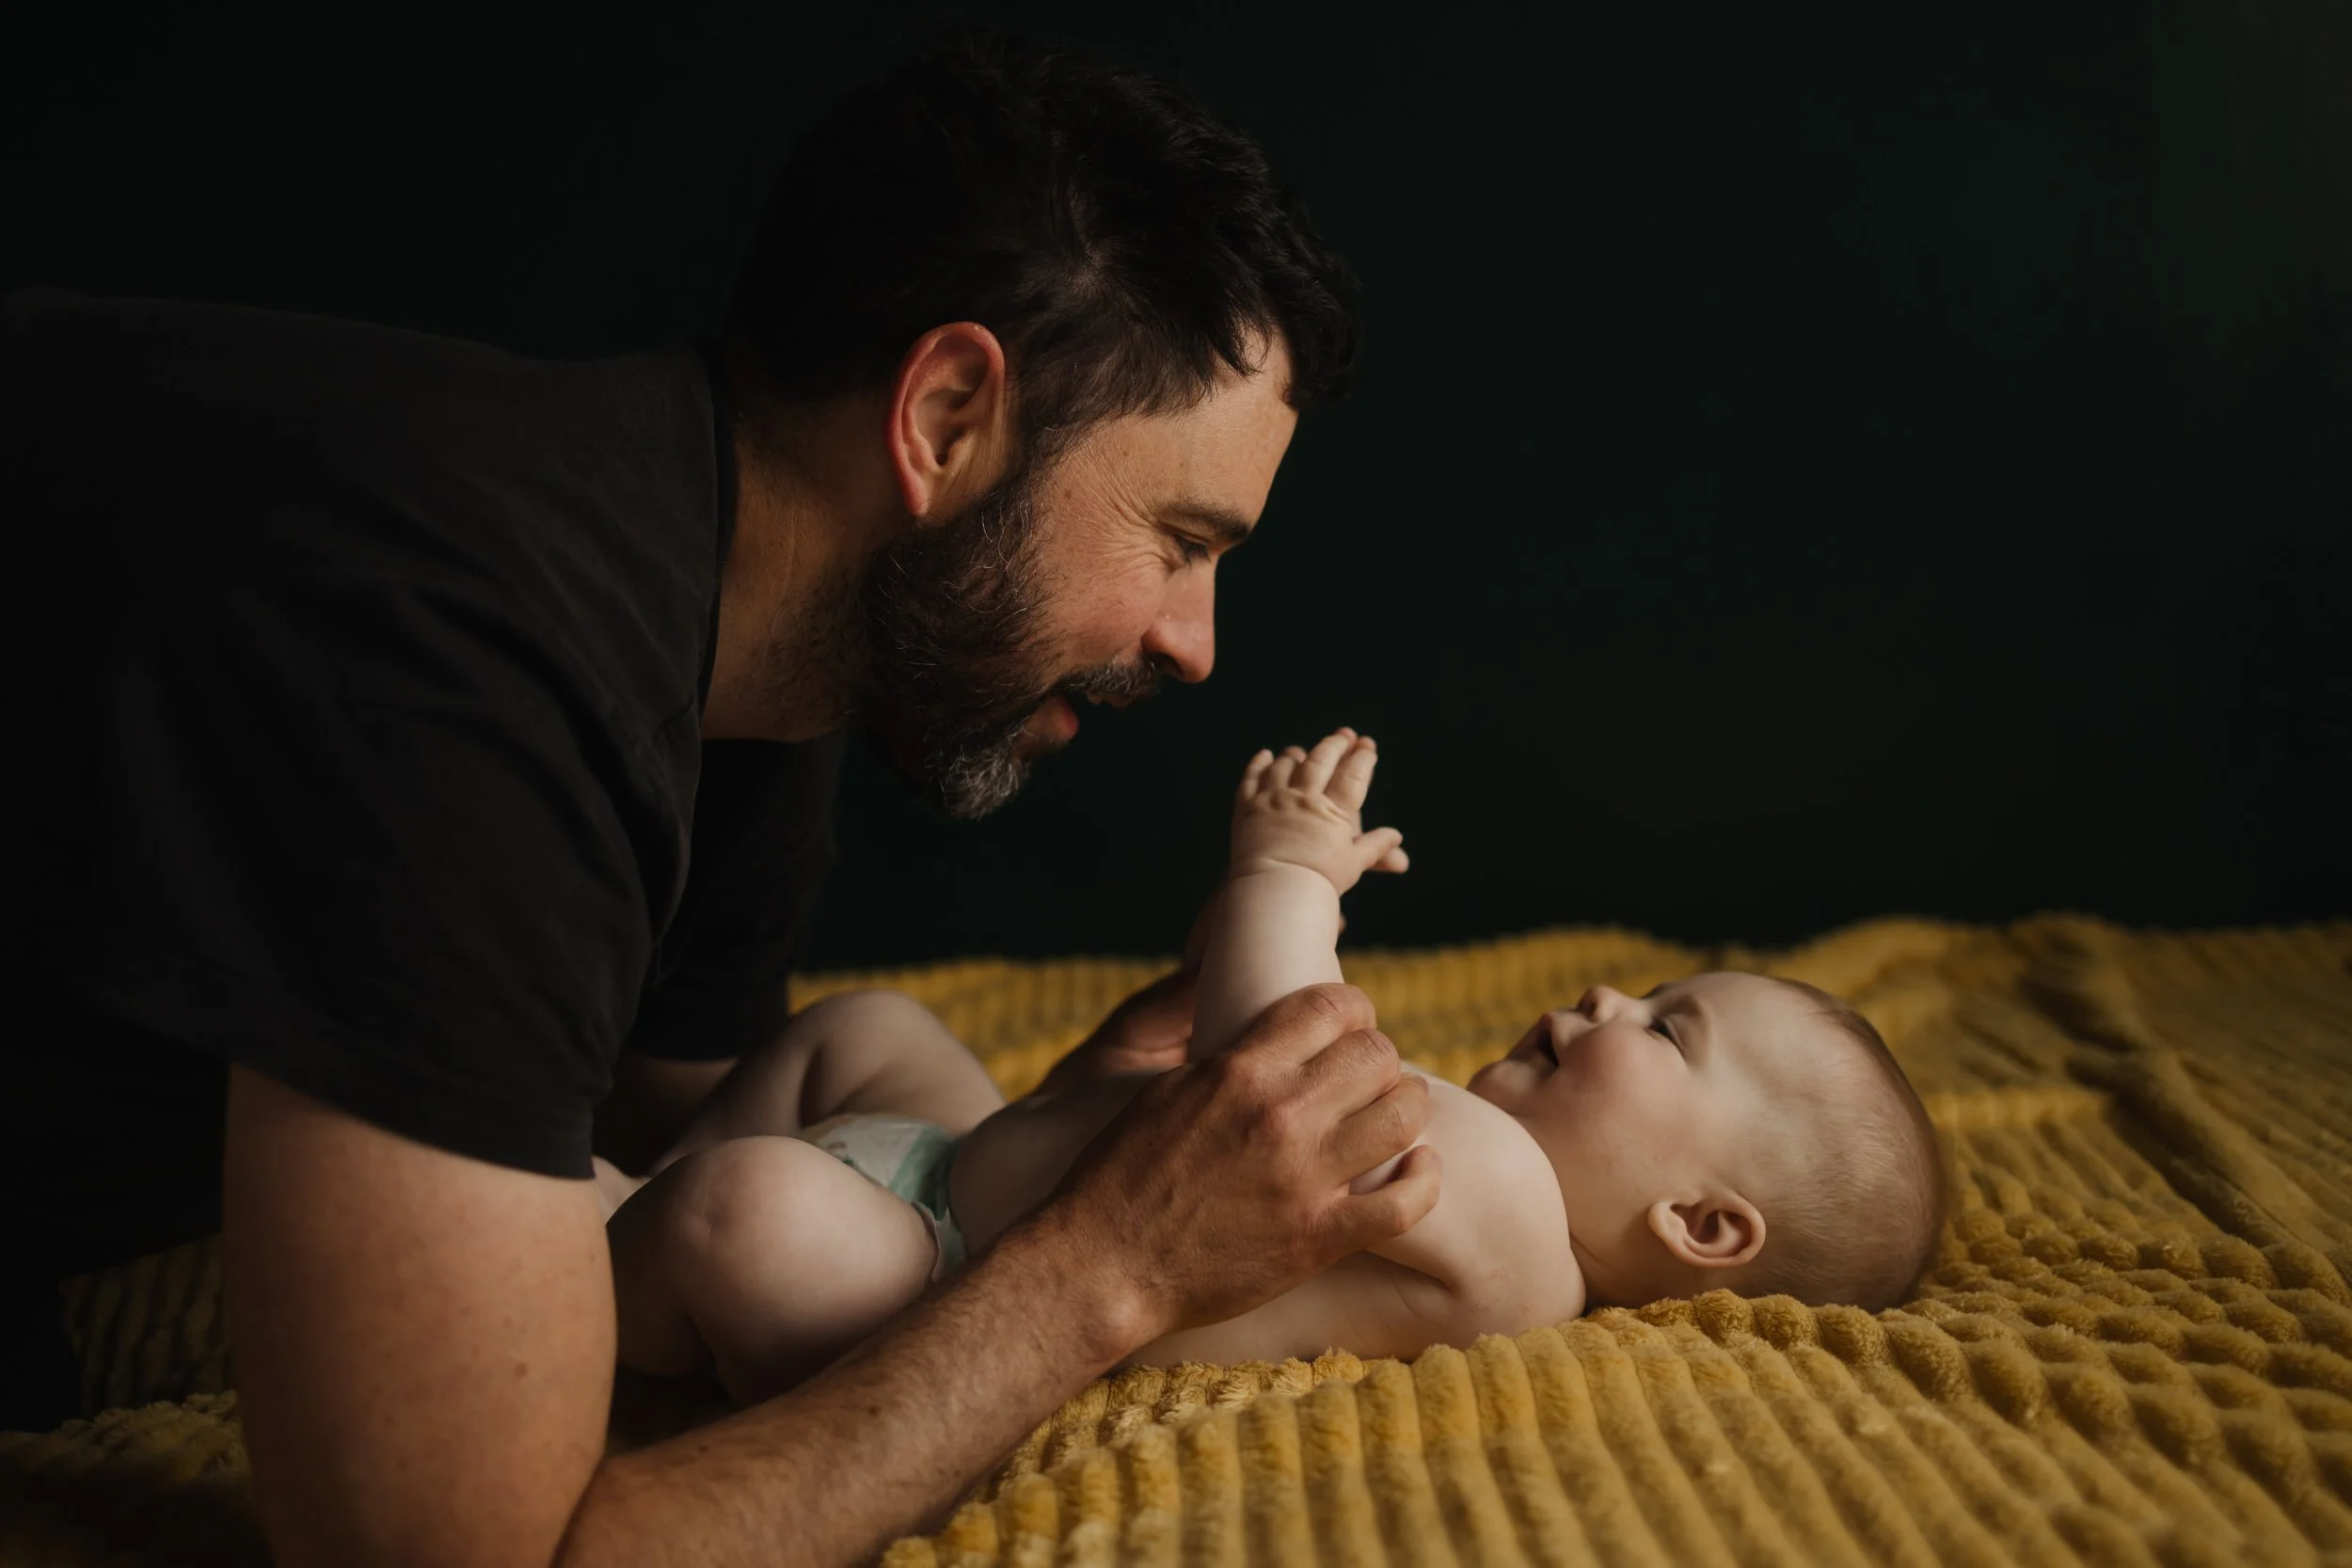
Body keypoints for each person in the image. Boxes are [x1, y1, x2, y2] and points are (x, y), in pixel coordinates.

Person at [0, 35, 1444, 1568]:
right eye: (1179, 541)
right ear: (947, 414)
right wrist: (1112, 1266)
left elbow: (682, 1158)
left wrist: (1059, 1130)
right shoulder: (469, 672)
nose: (1195, 643)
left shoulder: (749, 672)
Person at [597, 730, 1948, 1400]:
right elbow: (1222, 1060)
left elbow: (1280, 1082)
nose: (1608, 995)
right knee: (870, 1027)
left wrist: (1288, 880)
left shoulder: (1518, 1239)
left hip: (935, 1283)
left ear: (1702, 1225)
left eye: (1663, 1029)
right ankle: (645, 1174)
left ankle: (598, 1242)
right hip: (961, 1161)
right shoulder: (1483, 1170)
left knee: (754, 1218)